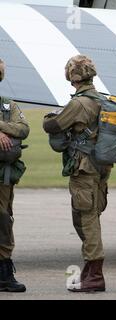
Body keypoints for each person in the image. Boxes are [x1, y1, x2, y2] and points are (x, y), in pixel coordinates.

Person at [43, 55, 110, 292]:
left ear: (72, 76)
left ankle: (96, 275)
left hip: (84, 169)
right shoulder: (103, 99)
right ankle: (90, 269)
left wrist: (50, 116)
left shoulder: (79, 103)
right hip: (101, 167)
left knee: (86, 219)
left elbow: (53, 126)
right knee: (90, 216)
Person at [0, 58, 29, 292]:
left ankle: (4, 271)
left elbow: (22, 129)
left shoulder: (8, 106)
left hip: (3, 175)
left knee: (3, 219)